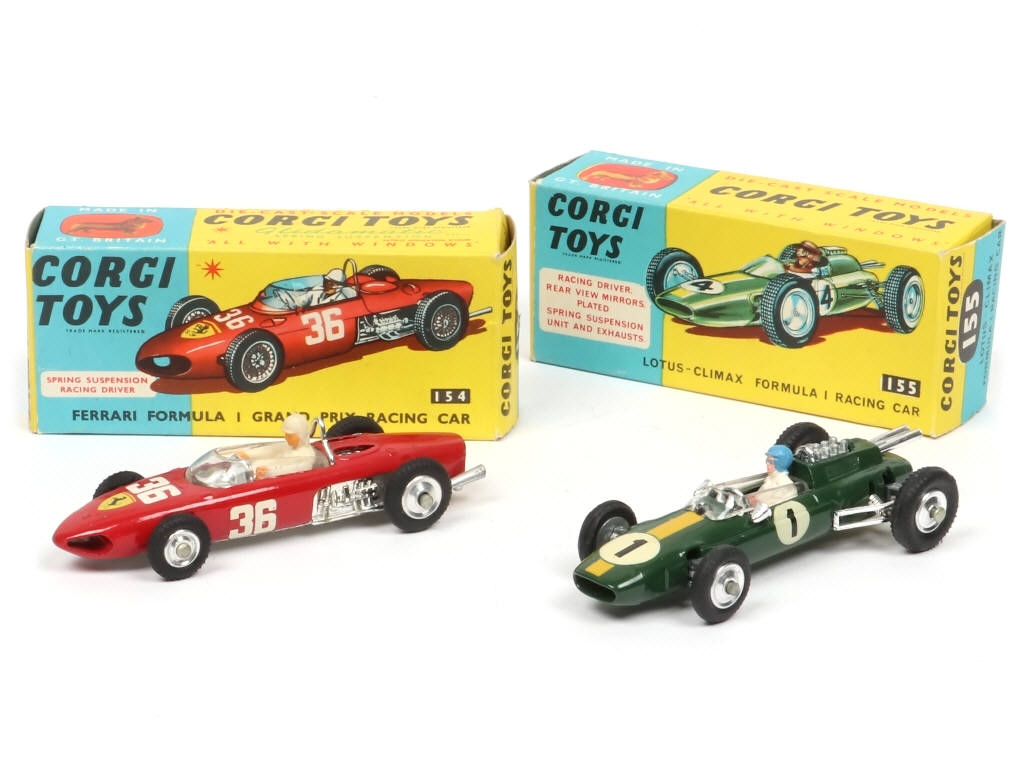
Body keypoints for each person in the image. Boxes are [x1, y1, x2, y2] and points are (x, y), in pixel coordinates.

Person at [234, 413, 318, 480]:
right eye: (286, 435)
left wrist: (268, 472)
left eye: (290, 436)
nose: (286, 438)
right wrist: (248, 454)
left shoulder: (307, 456)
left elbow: (291, 469)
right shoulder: (288, 446)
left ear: (301, 435)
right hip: (256, 472)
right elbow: (270, 450)